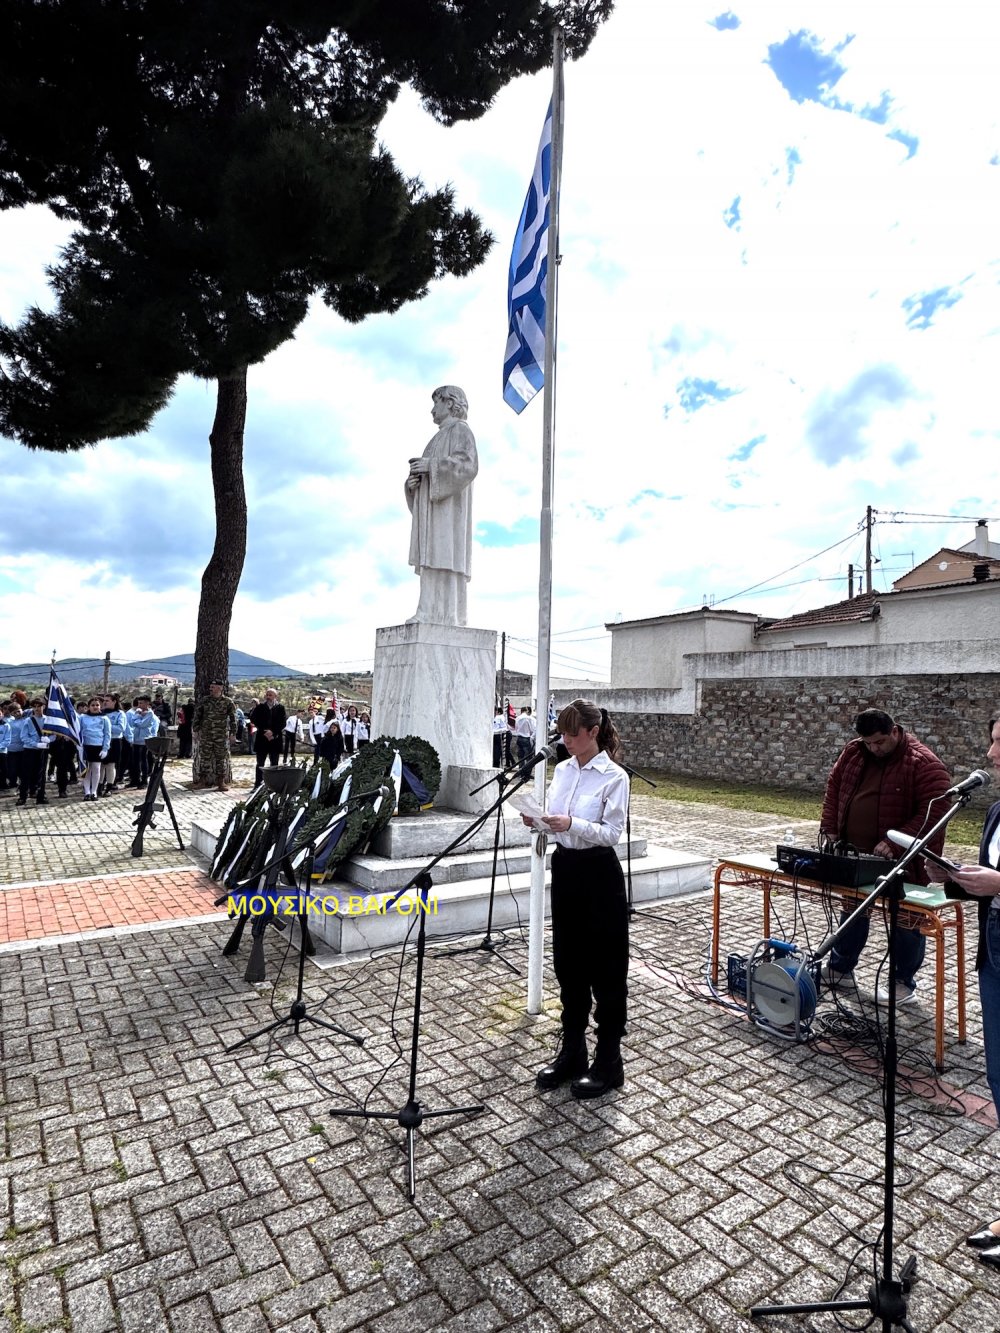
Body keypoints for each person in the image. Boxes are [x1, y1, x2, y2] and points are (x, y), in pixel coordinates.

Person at [923, 716, 1000, 1264]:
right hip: (996, 955)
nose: (992, 754)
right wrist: (952, 877)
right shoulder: (996, 810)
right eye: (992, 740)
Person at [526, 699, 630, 1100]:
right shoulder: (563, 771)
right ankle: (573, 1050)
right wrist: (540, 821)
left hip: (599, 874)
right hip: (566, 867)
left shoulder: (614, 777)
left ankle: (609, 1060)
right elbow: (557, 823)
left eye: (573, 733)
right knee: (568, 963)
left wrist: (573, 823)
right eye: (562, 733)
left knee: (605, 967)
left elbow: (611, 833)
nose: (566, 741)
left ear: (593, 732)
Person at [820, 707, 951, 1004]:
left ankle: (902, 983)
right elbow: (834, 786)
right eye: (868, 743)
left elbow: (935, 813)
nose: (874, 749)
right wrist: (829, 827)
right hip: (855, 855)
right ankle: (841, 968)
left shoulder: (924, 763)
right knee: (852, 911)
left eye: (879, 742)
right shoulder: (854, 752)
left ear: (894, 731)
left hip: (904, 862)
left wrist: (896, 843)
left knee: (906, 919)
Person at [405, 384, 478, 625]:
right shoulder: (435, 439)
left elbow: (467, 466)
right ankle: (427, 610)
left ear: (450, 403)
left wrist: (431, 466)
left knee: (447, 558)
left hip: (450, 516)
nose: (432, 410)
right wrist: (413, 484)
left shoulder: (461, 431)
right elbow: (424, 479)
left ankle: (451, 615)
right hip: (432, 515)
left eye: (436, 402)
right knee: (431, 559)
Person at [192, 680, 237, 791]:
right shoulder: (205, 700)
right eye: (210, 686)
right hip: (206, 734)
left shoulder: (227, 702)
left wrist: (233, 733)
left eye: (213, 687)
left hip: (221, 735)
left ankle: (221, 782)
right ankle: (202, 781)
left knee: (221, 758)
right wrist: (196, 730)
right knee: (204, 758)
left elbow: (233, 719)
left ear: (220, 688)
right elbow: (197, 716)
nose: (211, 689)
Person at [16, 698, 51, 805]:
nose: (36, 709)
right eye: (34, 707)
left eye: (39, 706)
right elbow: (23, 737)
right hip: (30, 750)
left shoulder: (48, 720)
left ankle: (41, 796)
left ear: (43, 707)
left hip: (43, 751)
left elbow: (53, 734)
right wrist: (35, 744)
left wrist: (50, 739)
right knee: (26, 774)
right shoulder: (28, 720)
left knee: (41, 774)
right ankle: (22, 797)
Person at [78, 696, 111, 802]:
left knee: (96, 769)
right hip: (86, 747)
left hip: (98, 747)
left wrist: (105, 748)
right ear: (89, 706)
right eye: (93, 705)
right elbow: (78, 731)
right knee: (86, 771)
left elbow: (107, 734)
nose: (95, 707)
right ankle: (87, 792)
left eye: (97, 705)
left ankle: (94, 792)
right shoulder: (82, 717)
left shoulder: (105, 718)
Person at [249, 689, 286, 785]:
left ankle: (273, 784)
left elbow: (282, 723)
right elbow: (253, 719)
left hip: (275, 739)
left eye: (271, 695)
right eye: (267, 695)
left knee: (274, 763)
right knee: (260, 763)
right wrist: (264, 730)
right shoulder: (260, 707)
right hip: (262, 738)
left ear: (275, 696)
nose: (268, 697)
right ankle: (258, 783)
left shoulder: (280, 708)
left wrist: (273, 732)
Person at [125, 697, 159, 788]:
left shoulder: (150, 714)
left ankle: (144, 780)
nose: (139, 705)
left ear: (147, 704)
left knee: (143, 760)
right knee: (135, 761)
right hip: (136, 739)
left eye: (141, 703)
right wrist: (138, 717)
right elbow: (132, 723)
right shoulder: (139, 712)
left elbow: (142, 724)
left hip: (145, 740)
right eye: (138, 703)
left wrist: (137, 716)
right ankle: (135, 779)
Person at [101, 693, 128, 793]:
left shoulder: (120, 714)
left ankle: (110, 786)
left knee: (110, 765)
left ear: (114, 701)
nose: (104, 702)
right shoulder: (102, 712)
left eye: (107, 700)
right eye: (104, 700)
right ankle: (100, 785)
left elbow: (120, 728)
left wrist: (107, 726)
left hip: (115, 741)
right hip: (102, 741)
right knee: (101, 765)